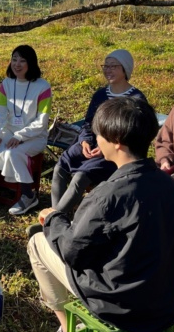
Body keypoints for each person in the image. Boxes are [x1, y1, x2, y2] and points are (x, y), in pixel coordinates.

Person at [28, 97, 174, 332]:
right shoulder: (171, 187)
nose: (96, 141)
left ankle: (65, 331)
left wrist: (52, 219)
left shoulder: (109, 194)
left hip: (119, 305)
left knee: (37, 243)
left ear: (116, 141)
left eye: (98, 135)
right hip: (165, 302)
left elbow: (73, 251)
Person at [50, 49, 146, 215]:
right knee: (61, 165)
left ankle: (55, 218)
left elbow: (133, 134)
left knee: (81, 176)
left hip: (117, 151)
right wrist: (85, 141)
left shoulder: (136, 99)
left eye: (113, 66)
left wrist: (106, 147)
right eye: (105, 66)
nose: (108, 70)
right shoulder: (100, 94)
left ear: (125, 69)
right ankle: (56, 212)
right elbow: (88, 124)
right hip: (92, 143)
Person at [0, 45, 52, 215]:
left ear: (31, 63)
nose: (17, 64)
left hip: (35, 136)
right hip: (10, 132)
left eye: (22, 60)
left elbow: (41, 121)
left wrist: (20, 136)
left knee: (13, 152)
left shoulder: (42, 86)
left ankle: (28, 195)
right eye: (14, 59)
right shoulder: (7, 83)